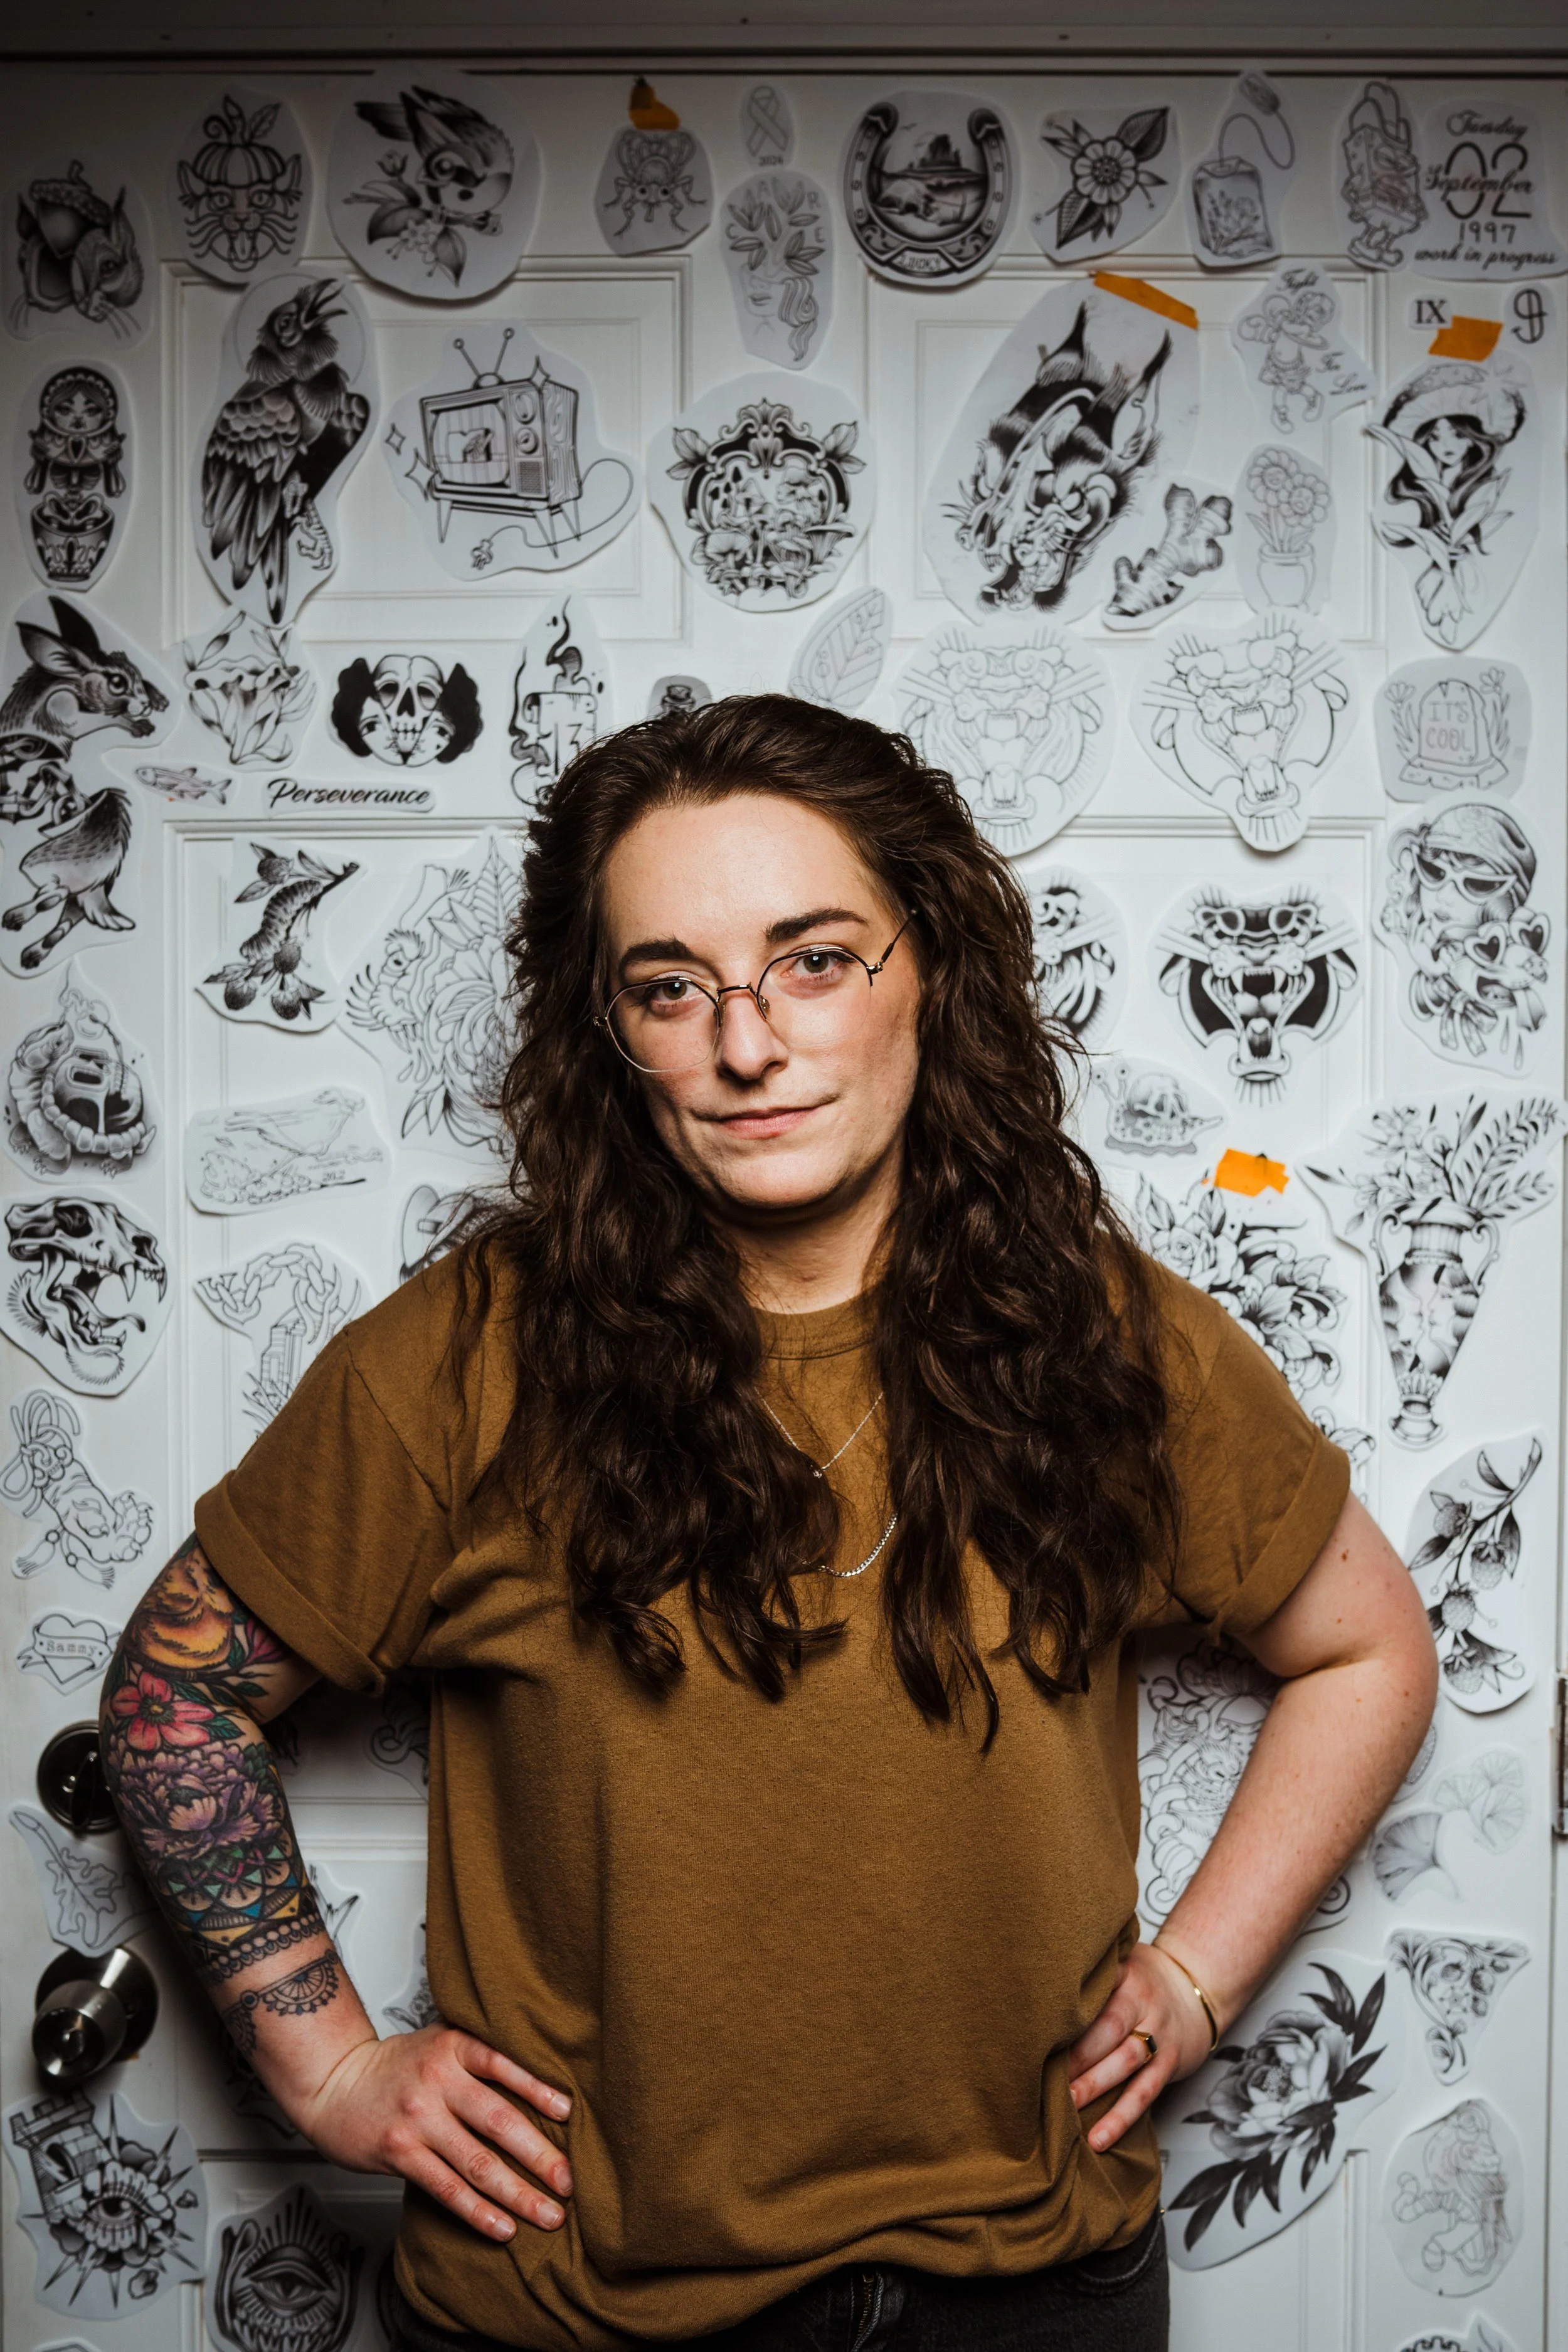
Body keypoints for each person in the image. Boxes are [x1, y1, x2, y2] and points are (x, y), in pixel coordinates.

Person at [101, 698, 1436, 2352]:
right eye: (671, 985)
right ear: (606, 1030)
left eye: (812, 959)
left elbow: (1367, 1650)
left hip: (1032, 2293)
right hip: (584, 2311)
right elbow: (172, 1699)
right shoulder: (460, 1361)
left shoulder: (1105, 1336)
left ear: (929, 969)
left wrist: (1195, 1977)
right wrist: (328, 2068)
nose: (746, 1045)